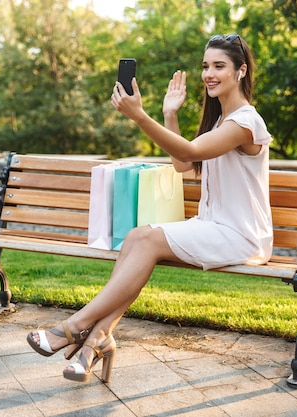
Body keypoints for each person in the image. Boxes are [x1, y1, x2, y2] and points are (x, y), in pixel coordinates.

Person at [27, 33, 273, 383]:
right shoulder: (221, 122)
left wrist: (140, 117)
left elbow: (189, 154)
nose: (209, 74)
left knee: (146, 240)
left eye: (219, 66)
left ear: (241, 71)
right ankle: (97, 340)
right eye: (205, 66)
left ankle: (73, 327)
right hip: (214, 226)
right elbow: (182, 164)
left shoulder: (247, 122)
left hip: (241, 236)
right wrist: (169, 115)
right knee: (137, 238)